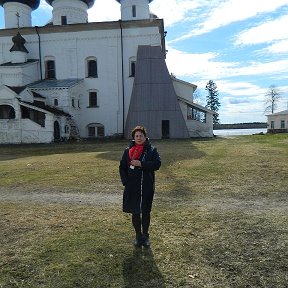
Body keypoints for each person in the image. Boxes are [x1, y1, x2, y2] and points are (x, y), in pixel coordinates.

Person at [119, 125, 161, 248]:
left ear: (145, 136)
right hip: (132, 187)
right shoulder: (127, 151)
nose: (139, 138)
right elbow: (122, 167)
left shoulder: (152, 150)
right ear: (133, 137)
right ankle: (138, 236)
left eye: (141, 135)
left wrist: (141, 163)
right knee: (135, 212)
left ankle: (145, 236)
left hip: (146, 186)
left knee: (146, 212)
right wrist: (126, 181)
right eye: (136, 136)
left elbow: (157, 164)